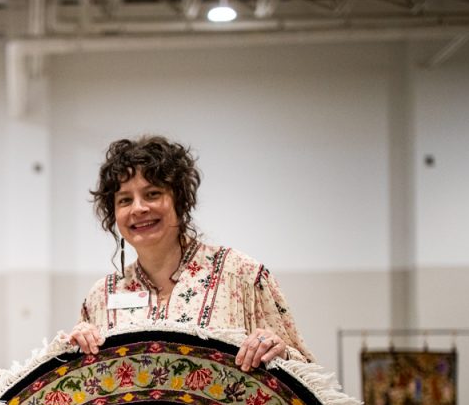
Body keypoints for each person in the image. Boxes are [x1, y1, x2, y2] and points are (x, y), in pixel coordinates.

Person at [68, 135, 313, 371]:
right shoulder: (101, 296)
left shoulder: (242, 275)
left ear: (180, 201)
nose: (139, 208)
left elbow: (307, 377)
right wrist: (75, 353)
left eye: (153, 194)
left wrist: (278, 351)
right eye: (124, 200)